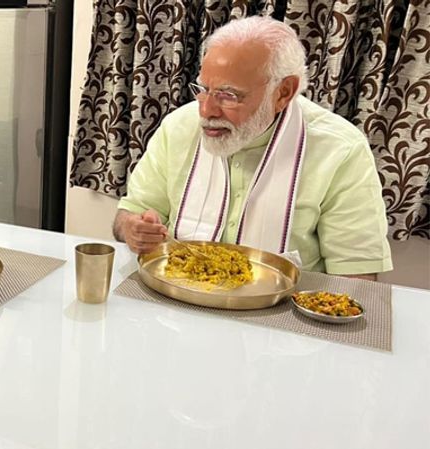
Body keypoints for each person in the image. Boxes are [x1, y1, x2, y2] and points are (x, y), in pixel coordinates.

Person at [113, 16, 392, 279]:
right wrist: (133, 229)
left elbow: (356, 277)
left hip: (284, 308)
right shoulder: (178, 127)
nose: (207, 111)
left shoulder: (341, 149)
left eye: (228, 95)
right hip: (175, 295)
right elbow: (127, 216)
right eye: (204, 89)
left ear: (283, 92)